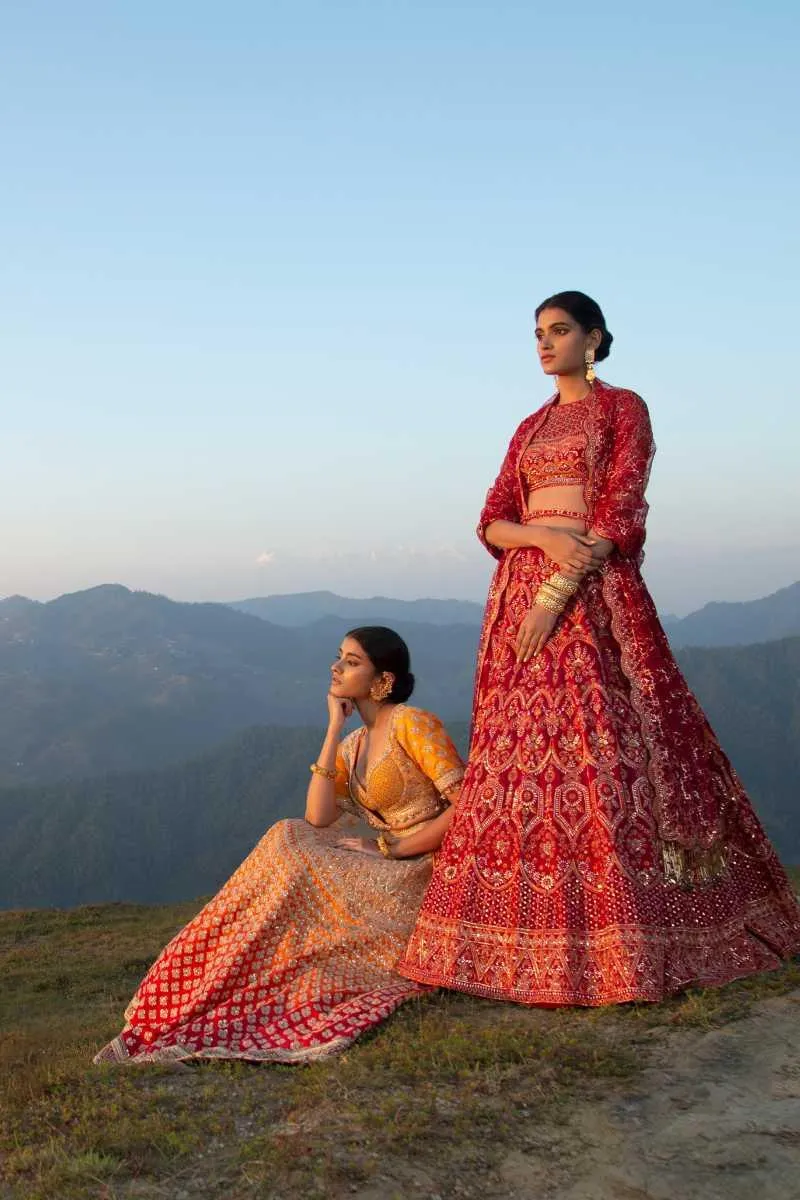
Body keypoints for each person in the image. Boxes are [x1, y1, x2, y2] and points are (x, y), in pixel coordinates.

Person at [400, 290, 800, 1006]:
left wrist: (557, 591)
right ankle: (499, 941)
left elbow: (621, 509)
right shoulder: (529, 426)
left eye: (560, 331)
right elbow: (492, 517)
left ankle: (623, 940)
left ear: (595, 338)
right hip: (519, 595)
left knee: (605, 748)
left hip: (591, 598)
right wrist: (541, 538)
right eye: (538, 334)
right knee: (515, 755)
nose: (545, 344)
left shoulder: (624, 409)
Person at [94, 627, 464, 1064]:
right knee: (289, 833)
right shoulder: (354, 742)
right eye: (339, 657)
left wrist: (395, 850)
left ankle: (241, 962)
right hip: (384, 857)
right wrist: (332, 730)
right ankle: (214, 970)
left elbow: (469, 806)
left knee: (295, 849)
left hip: (423, 867)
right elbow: (318, 817)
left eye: (351, 661)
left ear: (383, 678)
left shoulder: (412, 723)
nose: (336, 666)